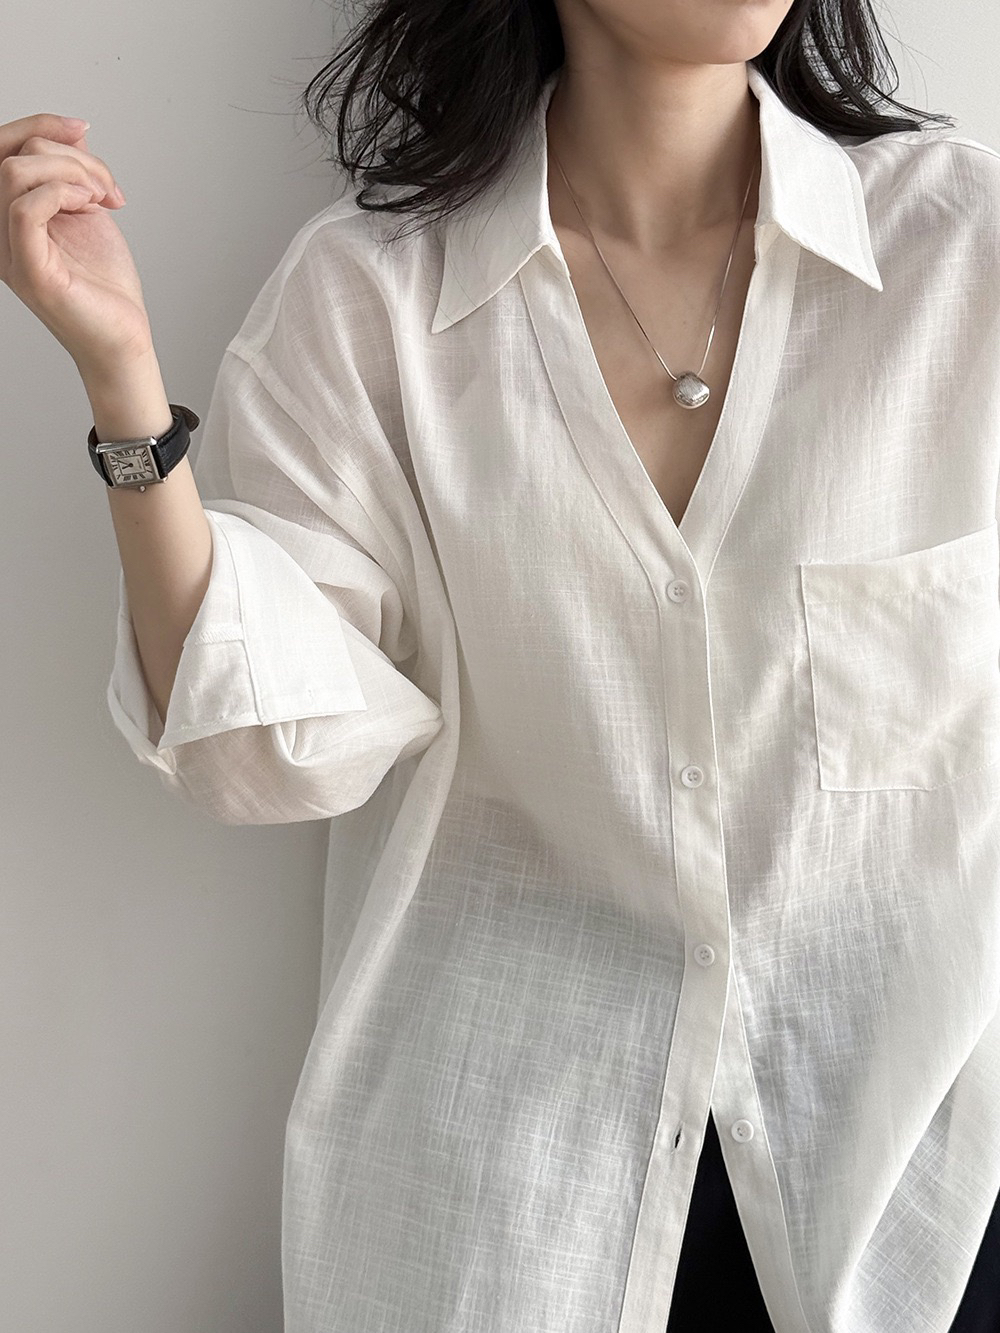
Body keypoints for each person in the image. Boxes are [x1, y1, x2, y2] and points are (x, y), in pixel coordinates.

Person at [4, 0, 1000, 1328]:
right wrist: (124, 381)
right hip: (514, 1224)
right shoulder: (375, 299)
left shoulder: (962, 246)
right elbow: (262, 747)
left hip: (922, 1202)